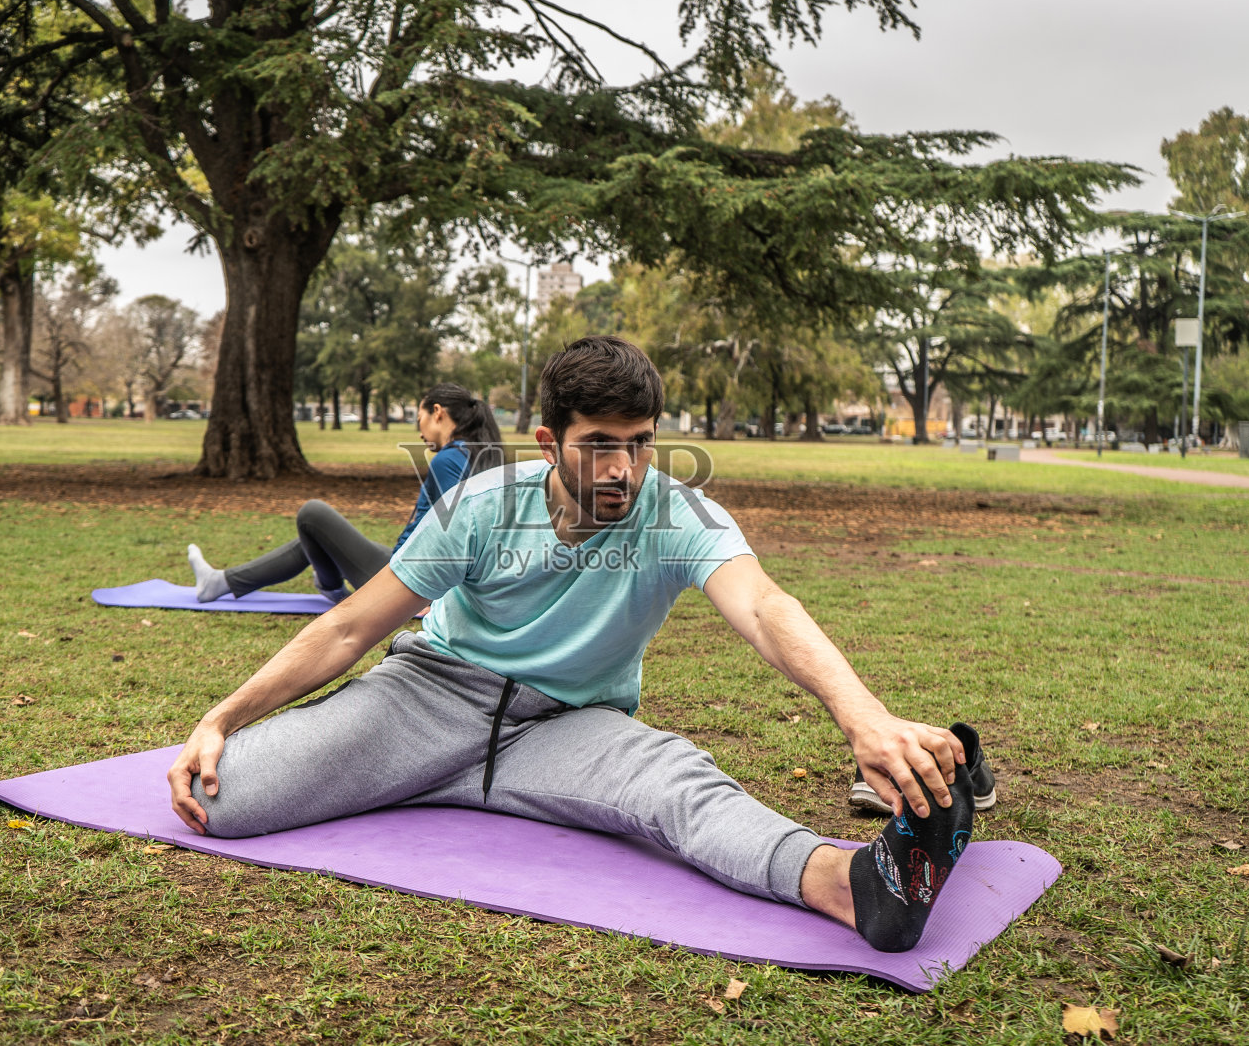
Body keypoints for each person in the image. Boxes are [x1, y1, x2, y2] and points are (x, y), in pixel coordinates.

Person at [167, 336, 983, 954]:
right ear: (549, 440)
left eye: (640, 441)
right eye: (600, 442)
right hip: (428, 698)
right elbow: (350, 625)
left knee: (679, 785)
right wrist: (223, 715)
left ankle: (859, 884)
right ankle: (411, 776)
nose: (624, 467)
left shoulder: (677, 514)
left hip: (569, 727)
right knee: (220, 798)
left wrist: (862, 716)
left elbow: (766, 607)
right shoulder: (483, 507)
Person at [185, 383, 501, 604]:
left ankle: (330, 587)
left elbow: (456, 534)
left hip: (404, 578)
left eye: (419, 420)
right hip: (412, 570)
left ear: (437, 412)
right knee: (318, 538)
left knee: (312, 513)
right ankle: (221, 583)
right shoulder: (480, 455)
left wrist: (436, 597)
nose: (418, 432)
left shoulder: (449, 459)